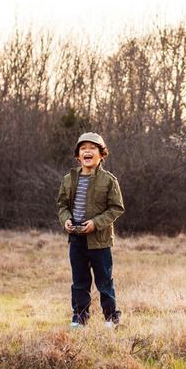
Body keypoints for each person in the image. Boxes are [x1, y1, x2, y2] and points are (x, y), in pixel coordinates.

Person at [57, 132, 125, 329]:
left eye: (93, 148)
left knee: (104, 282)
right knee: (79, 281)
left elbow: (116, 208)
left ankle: (111, 319)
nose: (88, 151)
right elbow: (62, 204)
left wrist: (96, 222)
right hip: (76, 240)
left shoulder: (109, 180)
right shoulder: (68, 179)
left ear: (101, 154)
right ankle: (79, 319)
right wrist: (66, 220)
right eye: (83, 148)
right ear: (78, 155)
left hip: (100, 241)